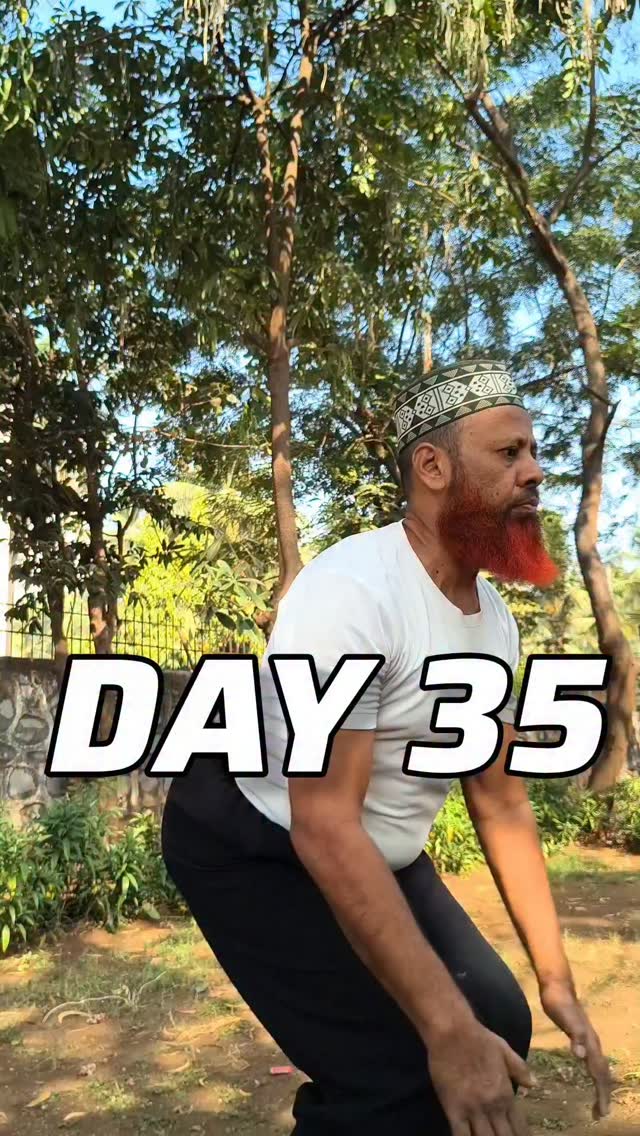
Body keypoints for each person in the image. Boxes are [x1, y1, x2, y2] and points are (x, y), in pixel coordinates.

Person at [161, 358, 612, 1136]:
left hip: (370, 846)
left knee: (496, 1022)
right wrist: (444, 1030)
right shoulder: (353, 592)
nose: (536, 472)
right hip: (251, 841)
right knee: (401, 1078)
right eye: (509, 453)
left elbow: (500, 801)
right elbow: (323, 824)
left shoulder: (495, 623)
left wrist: (556, 980)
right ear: (432, 468)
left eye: (534, 452)